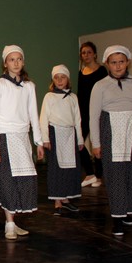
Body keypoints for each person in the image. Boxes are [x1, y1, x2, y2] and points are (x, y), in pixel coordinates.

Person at [89, 45, 132, 237]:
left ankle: (128, 211)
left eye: (121, 62)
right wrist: (96, 143)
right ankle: (117, 217)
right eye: (113, 62)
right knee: (115, 176)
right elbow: (93, 116)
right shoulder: (100, 86)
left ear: (128, 62)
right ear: (107, 64)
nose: (118, 66)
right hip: (111, 132)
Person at [0, 45, 44, 240]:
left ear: (23, 61)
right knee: (7, 180)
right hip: (4, 136)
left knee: (24, 180)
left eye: (19, 59)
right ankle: (9, 222)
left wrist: (38, 141)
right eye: (11, 59)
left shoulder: (29, 86)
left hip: (22, 138)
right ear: (5, 63)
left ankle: (13, 221)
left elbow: (33, 114)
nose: (16, 63)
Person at [39, 65, 83, 215]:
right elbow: (43, 118)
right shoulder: (49, 97)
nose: (59, 80)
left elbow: (77, 119)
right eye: (56, 78)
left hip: (70, 134)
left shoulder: (73, 97)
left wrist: (80, 139)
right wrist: (45, 139)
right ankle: (57, 201)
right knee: (56, 168)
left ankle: (66, 198)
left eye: (62, 77)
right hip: (55, 133)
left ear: (67, 79)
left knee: (70, 168)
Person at [77, 42, 107, 188]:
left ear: (95, 54)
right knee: (78, 141)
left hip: (98, 111)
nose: (86, 55)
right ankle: (90, 173)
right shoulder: (81, 72)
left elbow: (105, 92)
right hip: (83, 112)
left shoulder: (102, 71)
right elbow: (80, 94)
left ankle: (99, 176)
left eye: (89, 52)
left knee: (97, 142)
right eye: (83, 53)